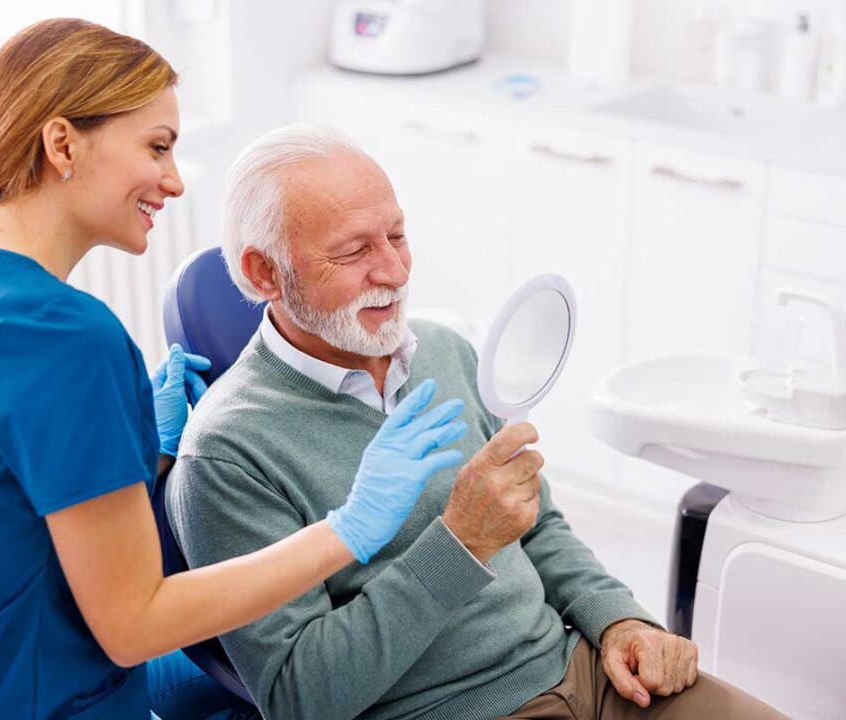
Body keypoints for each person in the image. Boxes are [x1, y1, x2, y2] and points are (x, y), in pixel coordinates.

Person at [0, 20, 469, 720]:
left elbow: (11, 512)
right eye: (156, 147)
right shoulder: (65, 337)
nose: (171, 179)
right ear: (62, 143)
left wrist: (147, 456)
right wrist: (348, 528)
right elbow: (134, 625)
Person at [166, 124, 789, 720]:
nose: (394, 271)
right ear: (264, 272)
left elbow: (538, 524)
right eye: (355, 251)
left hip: (585, 668)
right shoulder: (227, 454)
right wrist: (459, 543)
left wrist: (617, 618)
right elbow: (301, 698)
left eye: (398, 236)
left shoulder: (442, 350)